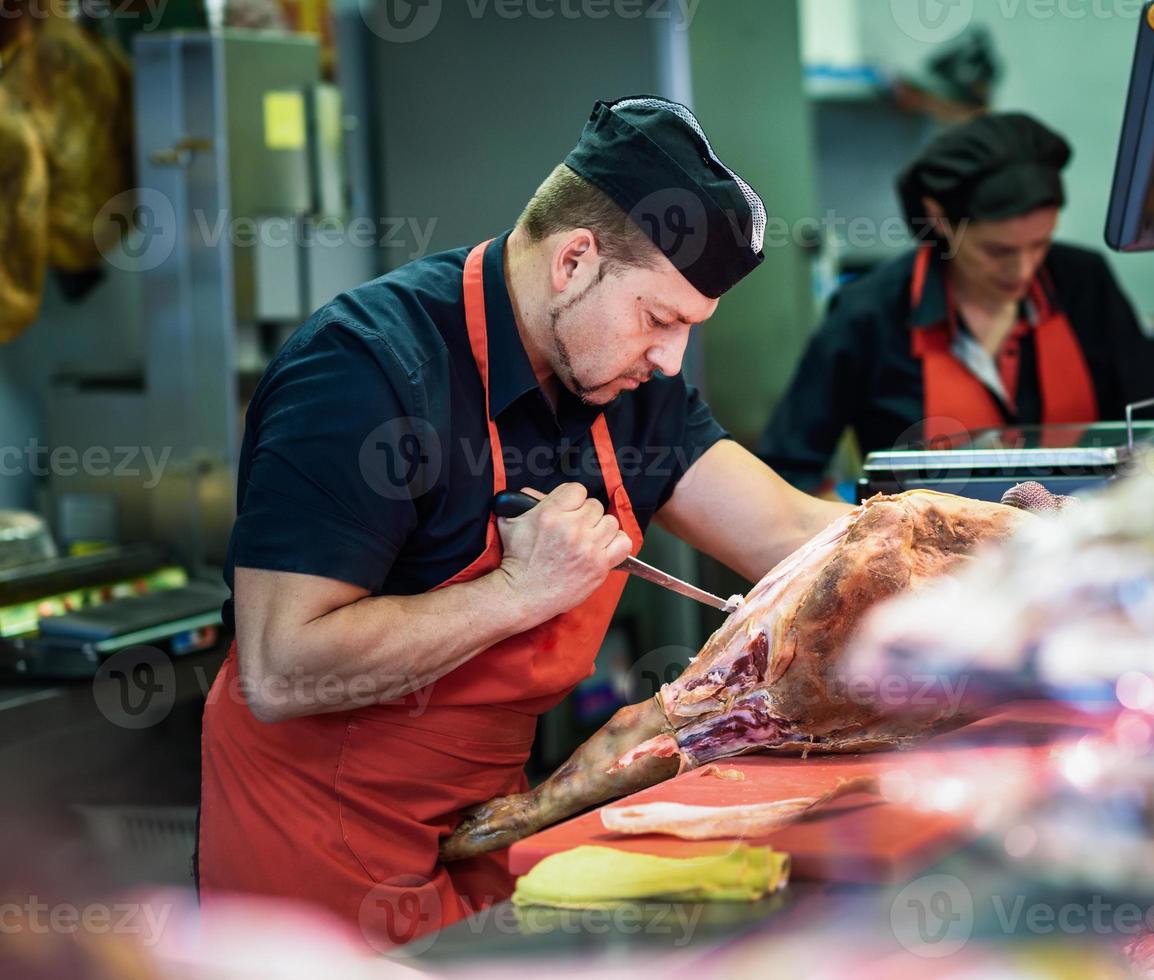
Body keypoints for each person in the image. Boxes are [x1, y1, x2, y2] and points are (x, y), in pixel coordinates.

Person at [198, 96, 851, 941]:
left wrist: (999, 546)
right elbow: (280, 671)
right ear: (573, 260)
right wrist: (517, 590)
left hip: (490, 826)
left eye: (688, 329)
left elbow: (795, 536)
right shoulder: (364, 371)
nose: (668, 359)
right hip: (313, 843)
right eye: (659, 319)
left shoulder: (632, 389)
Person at [759, 112, 1154, 491]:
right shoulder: (869, 313)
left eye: (1040, 245)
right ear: (939, 218)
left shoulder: (1084, 283)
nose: (1023, 270)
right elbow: (788, 467)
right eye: (998, 252)